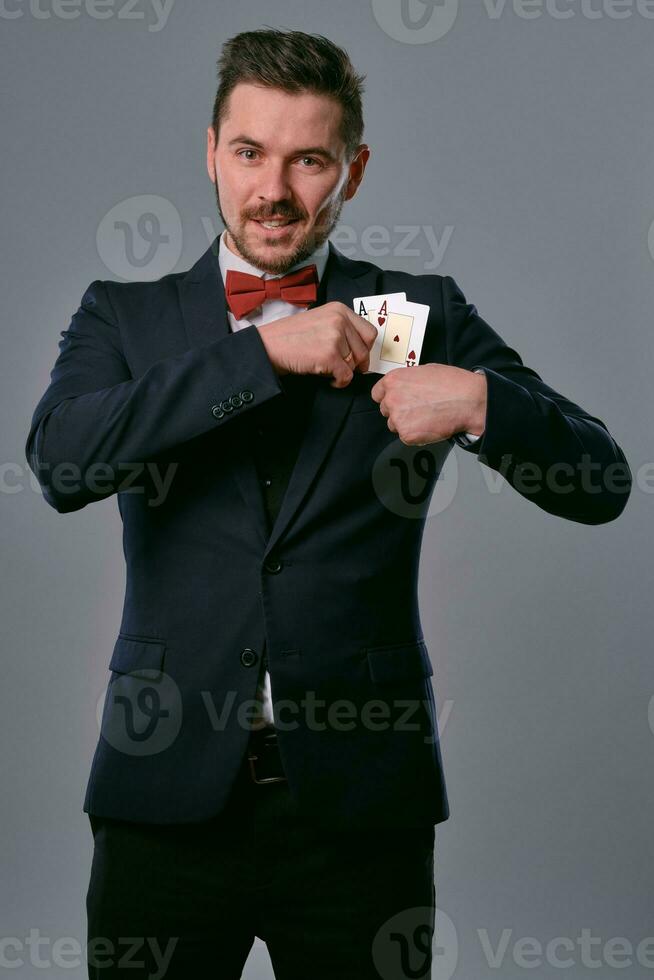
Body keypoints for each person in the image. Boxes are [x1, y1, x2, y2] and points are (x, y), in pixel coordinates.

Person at [25, 27, 631, 980]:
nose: (274, 189)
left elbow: (602, 483)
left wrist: (483, 403)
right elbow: (59, 461)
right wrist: (262, 352)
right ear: (211, 151)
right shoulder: (123, 315)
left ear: (353, 167)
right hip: (166, 805)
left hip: (361, 814)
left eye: (309, 159)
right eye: (250, 152)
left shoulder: (423, 311)